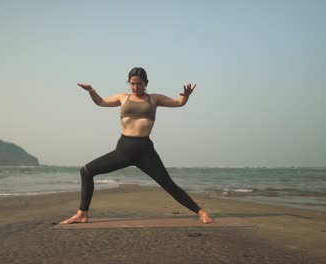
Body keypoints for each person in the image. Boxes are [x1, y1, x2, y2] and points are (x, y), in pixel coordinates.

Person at [61, 67, 213, 224]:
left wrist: (186, 96)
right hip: (123, 150)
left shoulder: (154, 99)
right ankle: (82, 214)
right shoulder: (122, 97)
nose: (135, 87)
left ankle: (200, 211)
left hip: (145, 151)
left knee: (168, 184)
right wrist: (91, 91)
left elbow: (178, 102)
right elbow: (101, 102)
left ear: (146, 83)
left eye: (139, 84)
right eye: (132, 84)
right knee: (86, 171)